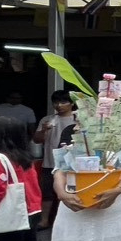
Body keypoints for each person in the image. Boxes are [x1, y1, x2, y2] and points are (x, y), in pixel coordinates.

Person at [34, 90, 77, 229]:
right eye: (56, 102)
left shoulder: (78, 119)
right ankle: (44, 221)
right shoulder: (47, 119)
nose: (59, 105)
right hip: (50, 162)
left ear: (72, 103)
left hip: (72, 164)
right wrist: (43, 130)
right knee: (46, 193)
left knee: (70, 191)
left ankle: (66, 222)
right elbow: (36, 140)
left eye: (63, 102)